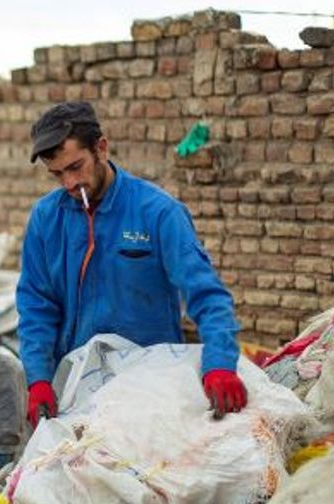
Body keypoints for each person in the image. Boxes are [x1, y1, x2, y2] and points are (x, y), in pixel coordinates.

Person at [16, 101, 246, 427]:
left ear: (102, 148)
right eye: (57, 174)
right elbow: (36, 304)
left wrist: (220, 364)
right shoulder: (45, 218)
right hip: (75, 387)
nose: (69, 183)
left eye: (76, 167)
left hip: (150, 387)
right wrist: (38, 378)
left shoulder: (158, 212)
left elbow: (207, 294)